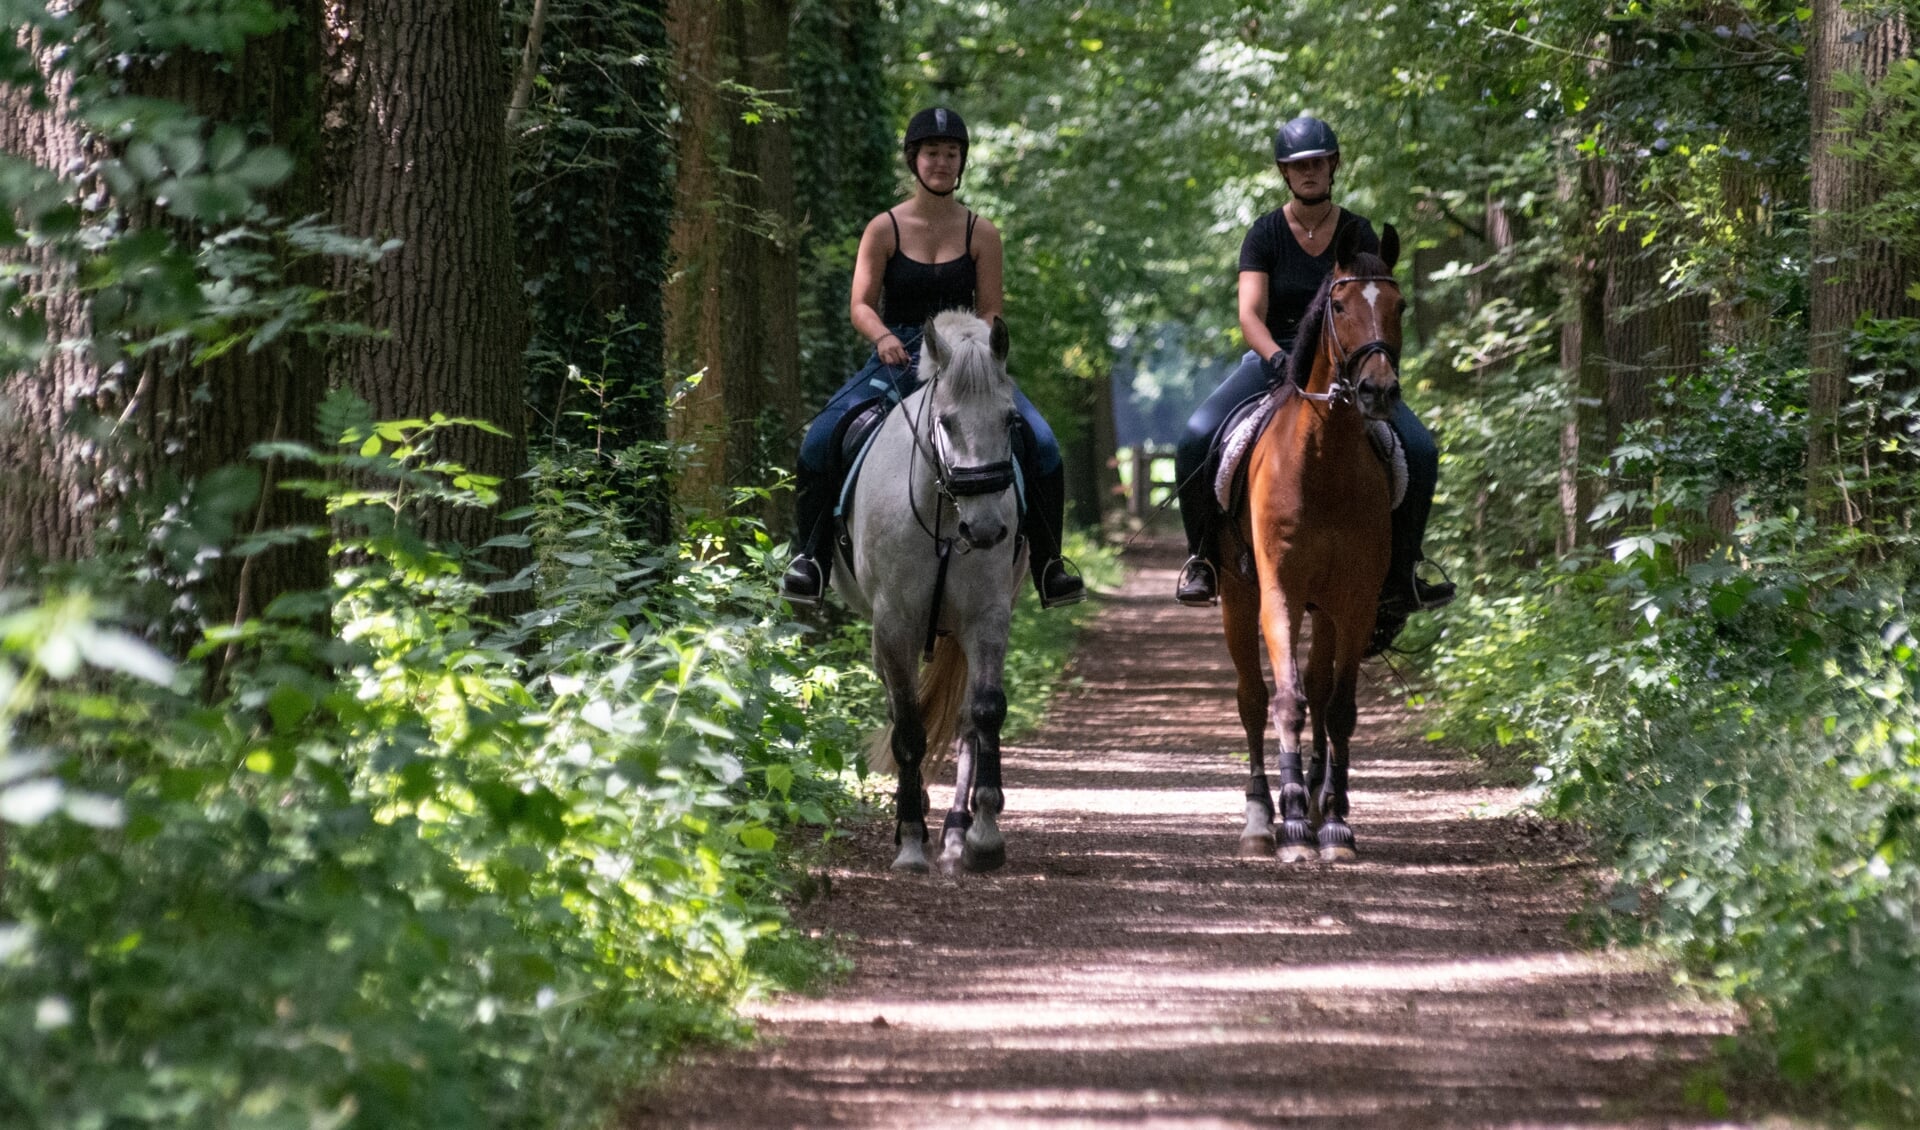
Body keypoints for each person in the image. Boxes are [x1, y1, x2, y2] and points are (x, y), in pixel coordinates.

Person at [780, 107, 1085, 609]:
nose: (941, 162)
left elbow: (990, 310)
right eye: (931, 153)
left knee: (1044, 446)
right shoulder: (884, 229)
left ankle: (1050, 565)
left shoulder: (981, 232)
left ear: (961, 162)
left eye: (951, 154)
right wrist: (881, 337)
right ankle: (809, 558)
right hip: (897, 356)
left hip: (965, 360)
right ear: (913, 160)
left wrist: (974, 352)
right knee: (821, 439)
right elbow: (860, 304)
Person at [1171, 115, 1453, 646]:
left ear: (1333, 167)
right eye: (1299, 166)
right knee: (1193, 438)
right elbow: (1249, 313)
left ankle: (1404, 571)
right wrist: (1278, 358)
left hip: (1347, 370)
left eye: (1317, 163)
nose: (1309, 173)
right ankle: (1203, 561)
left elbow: (1372, 309)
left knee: (1420, 448)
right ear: (1285, 172)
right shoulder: (1265, 233)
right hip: (1273, 363)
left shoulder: (1358, 231)